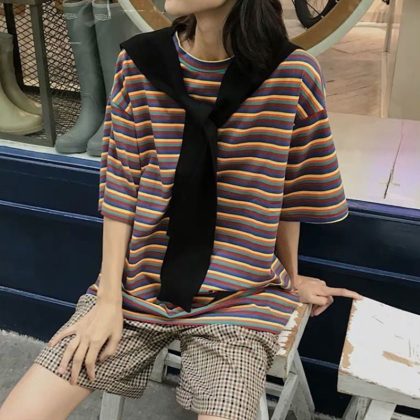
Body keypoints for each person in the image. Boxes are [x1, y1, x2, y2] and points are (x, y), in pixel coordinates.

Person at [0, 1, 363, 419]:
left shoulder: (292, 74)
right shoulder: (139, 62)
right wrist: (108, 298)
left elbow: (289, 192)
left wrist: (291, 278)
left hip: (239, 299)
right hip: (137, 286)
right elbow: (121, 187)